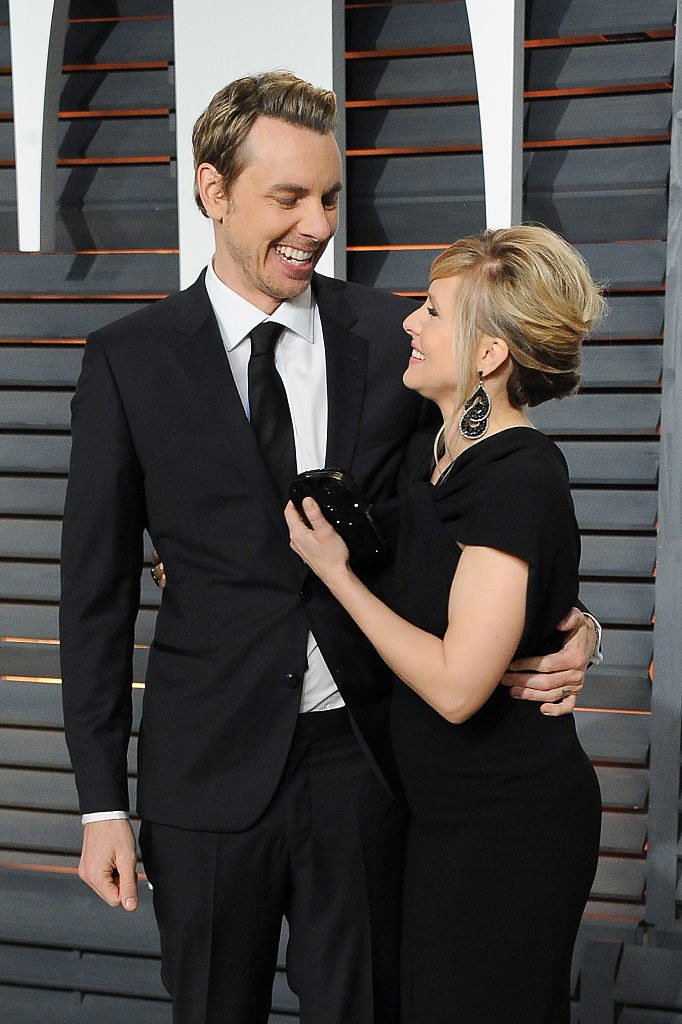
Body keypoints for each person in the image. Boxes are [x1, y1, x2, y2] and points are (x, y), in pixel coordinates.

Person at [59, 71, 598, 1024]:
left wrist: (572, 622)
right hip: (205, 773)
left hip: (369, 764)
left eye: (331, 198)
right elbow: (94, 594)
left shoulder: (393, 339)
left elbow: (472, 517)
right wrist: (100, 799)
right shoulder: (127, 360)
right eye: (289, 198)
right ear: (213, 191)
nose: (318, 223)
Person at [286, 225, 604, 1024]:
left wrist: (336, 575)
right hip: (442, 815)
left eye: (431, 310)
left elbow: (460, 688)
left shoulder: (518, 476)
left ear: (490, 356)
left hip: (506, 829)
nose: (410, 323)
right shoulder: (435, 452)